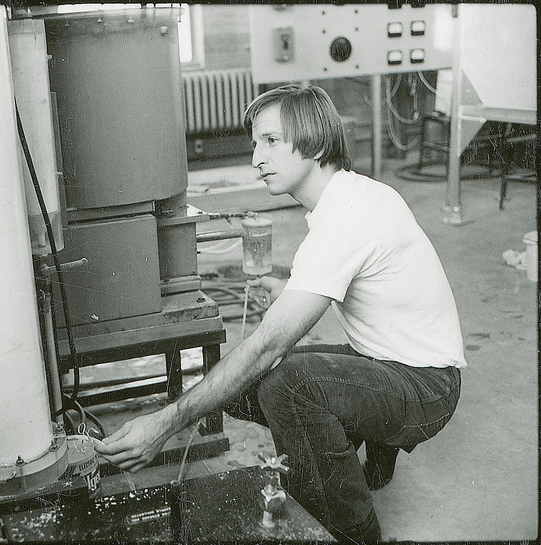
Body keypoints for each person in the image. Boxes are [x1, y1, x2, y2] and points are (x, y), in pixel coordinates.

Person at [95, 83, 466, 544]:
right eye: (255, 143)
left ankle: (353, 532)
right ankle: (346, 461)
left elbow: (271, 343)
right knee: (240, 386)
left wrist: (163, 423)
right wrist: (292, 283)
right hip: (394, 362)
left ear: (312, 141)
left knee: (289, 384)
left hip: (425, 387)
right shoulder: (357, 194)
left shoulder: (344, 218)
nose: (256, 158)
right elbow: (359, 273)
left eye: (270, 141)